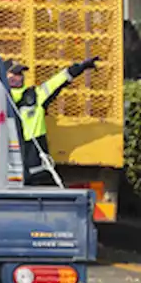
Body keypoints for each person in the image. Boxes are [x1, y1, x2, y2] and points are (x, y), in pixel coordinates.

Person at [7, 57, 100, 186]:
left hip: (36, 171)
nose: (19, 77)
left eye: (20, 74)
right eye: (15, 74)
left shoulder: (36, 95)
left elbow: (58, 81)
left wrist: (80, 67)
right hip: (10, 170)